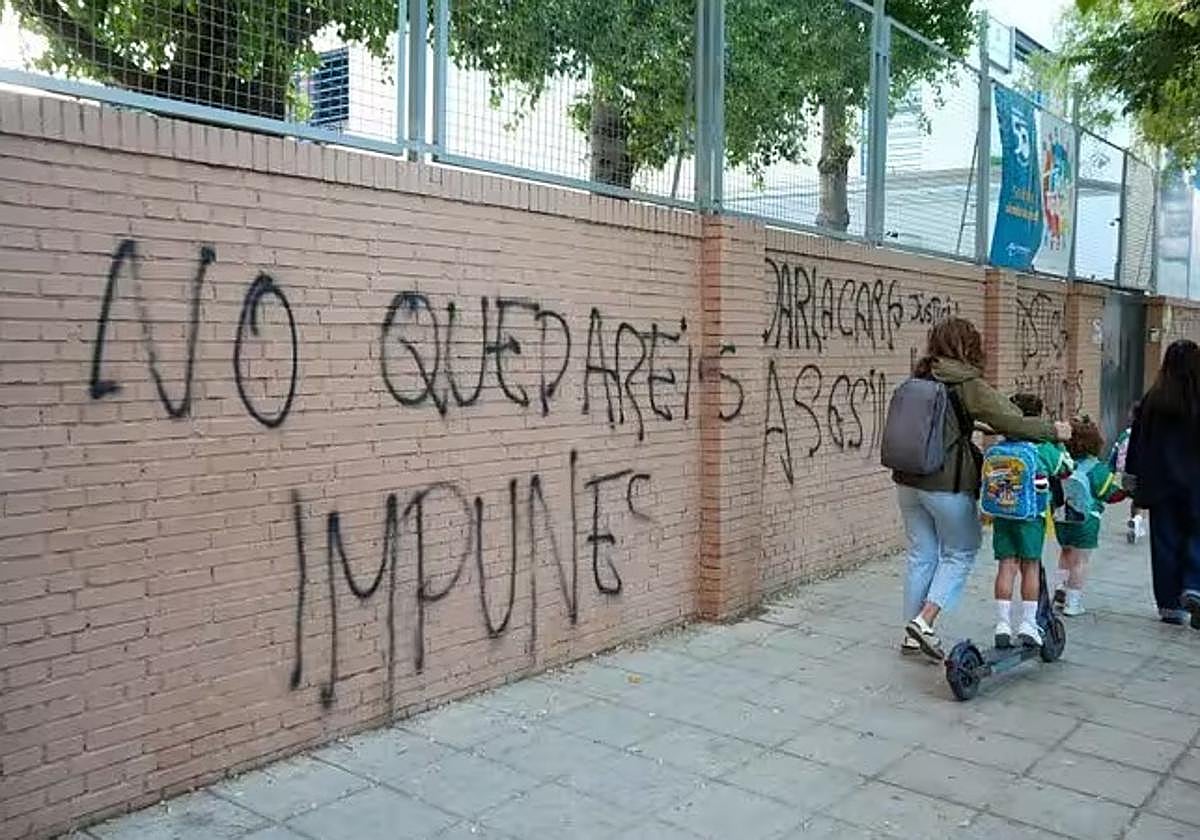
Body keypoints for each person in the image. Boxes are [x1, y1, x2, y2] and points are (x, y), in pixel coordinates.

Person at [893, 318, 1071, 660]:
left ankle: (912, 634)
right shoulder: (966, 382)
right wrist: (1055, 430)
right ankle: (924, 620)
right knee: (961, 551)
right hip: (945, 483)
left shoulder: (920, 377)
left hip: (907, 481)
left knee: (921, 553)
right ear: (967, 348)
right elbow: (1013, 419)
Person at [1125, 339, 1200, 627]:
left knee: (1165, 541)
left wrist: (1132, 478)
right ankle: (1194, 584)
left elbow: (1137, 442)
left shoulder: (1153, 400)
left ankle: (1170, 606)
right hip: (1196, 483)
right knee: (1196, 534)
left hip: (1160, 482)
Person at [992, 394, 1073, 647]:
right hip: (1031, 517)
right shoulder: (1043, 447)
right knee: (1031, 566)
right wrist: (1059, 443)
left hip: (1003, 514)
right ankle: (1028, 623)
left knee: (1006, 565)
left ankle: (1002, 623)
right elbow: (1066, 468)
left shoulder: (1003, 445)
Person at [1051, 416, 1128, 617]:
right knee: (1080, 561)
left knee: (1065, 553)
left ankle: (1060, 587)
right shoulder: (1096, 468)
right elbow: (1110, 494)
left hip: (1060, 517)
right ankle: (1073, 603)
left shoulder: (1061, 463)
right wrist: (1127, 491)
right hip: (1086, 520)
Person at [1106, 421, 1145, 544]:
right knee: (1143, 500)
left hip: (1127, 474)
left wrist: (1110, 472)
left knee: (1135, 498)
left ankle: (1135, 520)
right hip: (1145, 474)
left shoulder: (1125, 435)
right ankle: (1137, 520)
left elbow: (1114, 453)